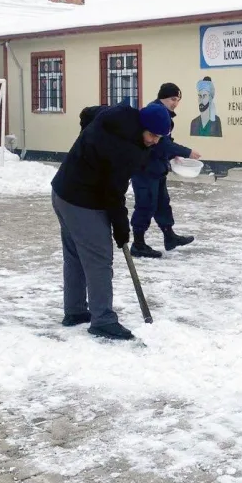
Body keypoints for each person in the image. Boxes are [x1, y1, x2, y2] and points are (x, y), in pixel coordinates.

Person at [50, 101, 171, 341]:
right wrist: (121, 229)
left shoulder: (116, 115)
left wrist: (88, 147)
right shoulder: (124, 150)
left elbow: (86, 112)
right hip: (83, 200)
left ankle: (75, 311)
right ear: (142, 127)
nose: (155, 141)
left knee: (75, 254)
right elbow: (113, 194)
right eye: (153, 135)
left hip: (62, 191)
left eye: (160, 137)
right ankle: (103, 320)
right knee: (99, 259)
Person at [129, 83, 203, 259]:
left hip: (157, 167)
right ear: (162, 97)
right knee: (146, 205)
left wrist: (171, 157)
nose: (175, 103)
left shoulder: (164, 114)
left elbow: (163, 143)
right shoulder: (154, 113)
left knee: (162, 203)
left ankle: (170, 237)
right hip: (144, 169)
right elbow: (161, 143)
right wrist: (186, 152)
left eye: (178, 100)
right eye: (172, 99)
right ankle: (138, 244)